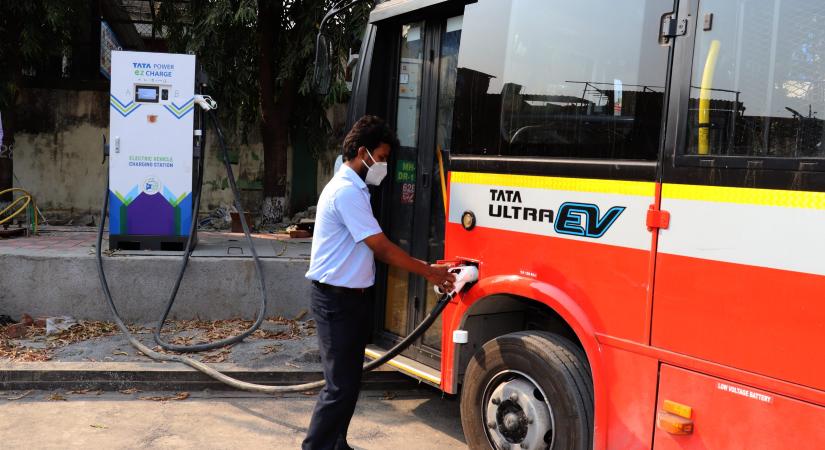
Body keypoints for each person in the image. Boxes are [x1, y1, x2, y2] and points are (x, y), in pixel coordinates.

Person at [302, 115, 455, 450]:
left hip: (351, 299)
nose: (383, 165)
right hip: (336, 301)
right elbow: (381, 247)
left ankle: (336, 444)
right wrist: (428, 271)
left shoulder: (356, 189)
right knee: (339, 386)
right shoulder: (345, 192)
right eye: (381, 158)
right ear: (362, 152)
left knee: (349, 383)